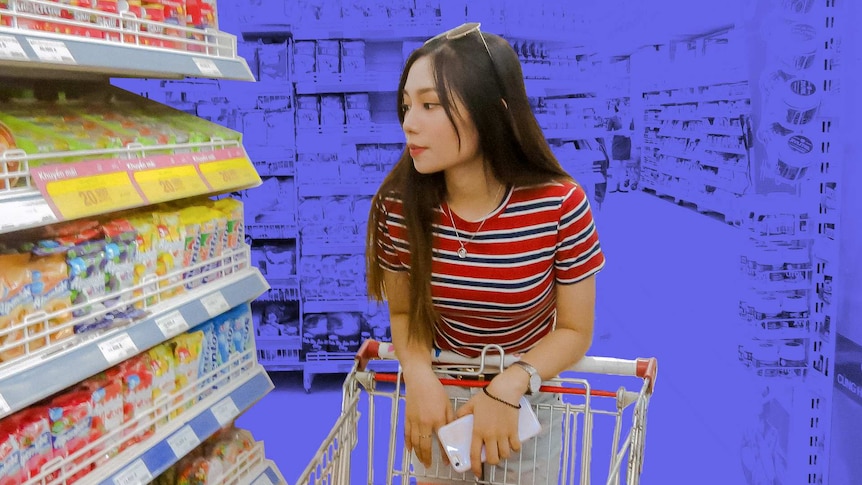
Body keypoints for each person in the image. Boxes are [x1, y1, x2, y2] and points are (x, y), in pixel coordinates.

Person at [365, 22, 606, 483]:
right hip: (439, 398)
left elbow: (575, 328)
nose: (408, 122)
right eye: (406, 105)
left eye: (430, 105)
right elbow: (404, 314)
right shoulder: (398, 207)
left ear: (493, 112)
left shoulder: (560, 205)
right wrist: (418, 377)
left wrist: (511, 385)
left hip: (527, 401)